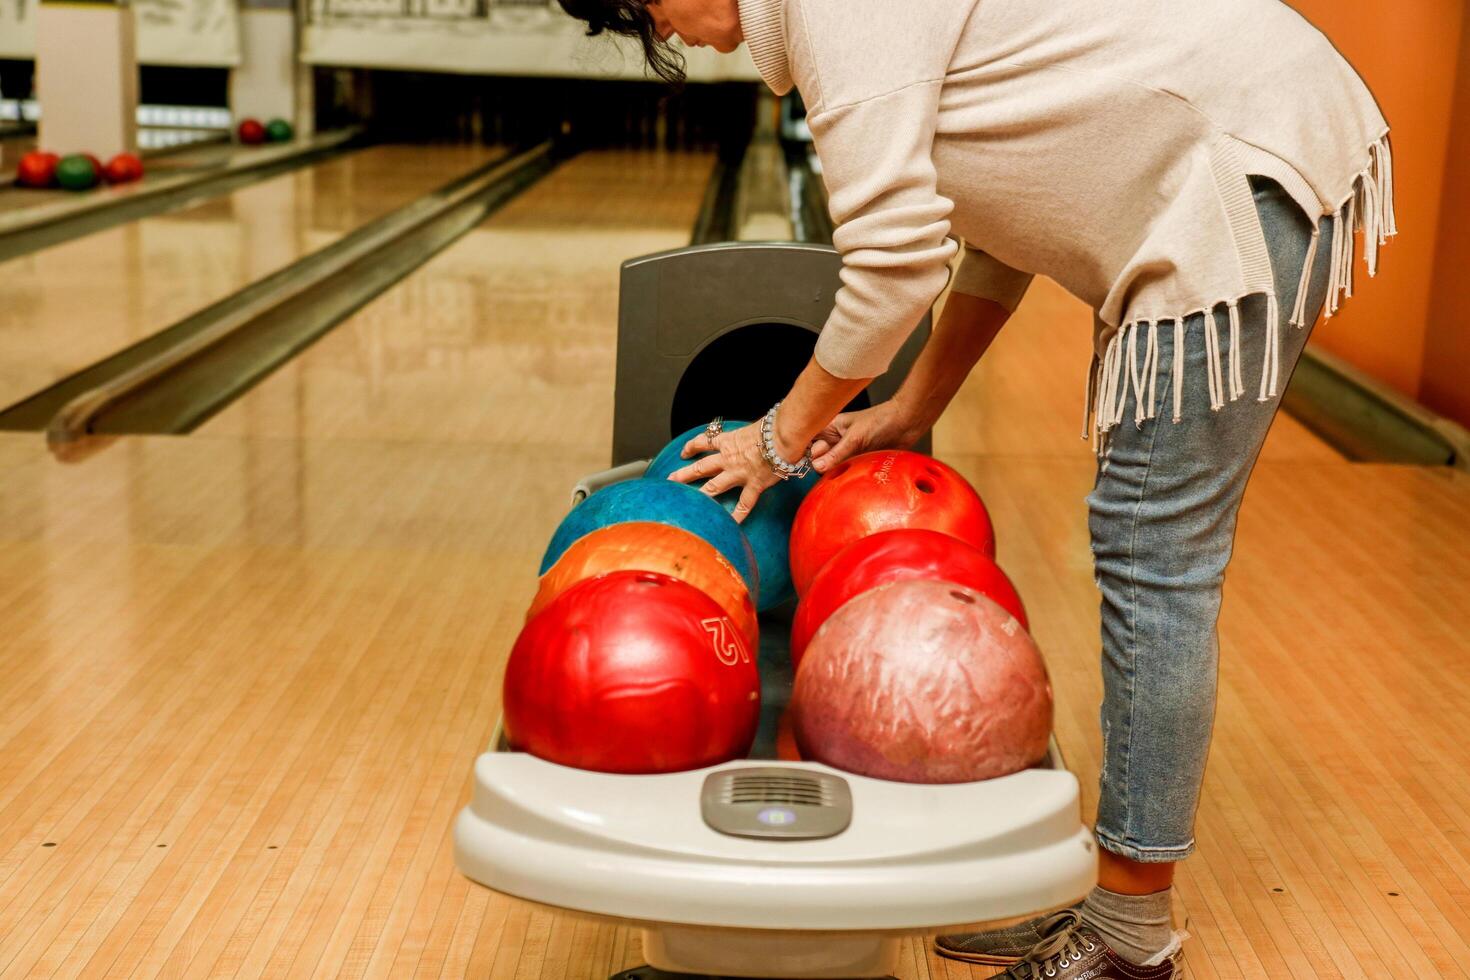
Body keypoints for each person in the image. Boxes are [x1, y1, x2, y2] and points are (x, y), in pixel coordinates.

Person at [556, 0, 1394, 975]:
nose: (670, 38)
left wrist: (776, 441)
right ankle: (1110, 901)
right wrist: (911, 406)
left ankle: (1130, 934)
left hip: (1234, 173)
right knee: (1145, 548)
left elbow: (893, 269)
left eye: (646, 11)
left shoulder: (837, 15)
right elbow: (1008, 230)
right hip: (1237, 136)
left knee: (1155, 556)